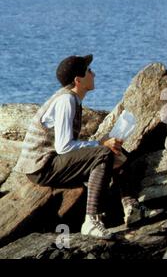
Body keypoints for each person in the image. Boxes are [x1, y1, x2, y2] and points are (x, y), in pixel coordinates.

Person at [14, 55, 143, 239]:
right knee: (104, 153)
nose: (94, 73)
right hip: (42, 167)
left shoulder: (72, 99)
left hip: (50, 162)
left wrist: (100, 143)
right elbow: (64, 147)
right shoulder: (66, 101)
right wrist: (99, 144)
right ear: (78, 79)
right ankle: (91, 221)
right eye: (89, 71)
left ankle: (131, 207)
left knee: (116, 151)